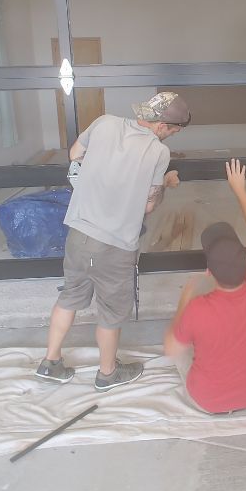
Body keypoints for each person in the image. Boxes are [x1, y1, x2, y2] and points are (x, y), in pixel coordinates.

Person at [36, 92, 191, 391]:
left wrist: (102, 169)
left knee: (69, 296)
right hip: (115, 244)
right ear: (162, 126)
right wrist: (167, 184)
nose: (170, 137)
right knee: (110, 311)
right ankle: (107, 373)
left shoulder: (104, 122)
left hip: (79, 233)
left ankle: (50, 362)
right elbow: (148, 206)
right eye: (173, 131)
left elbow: (74, 155)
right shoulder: (158, 153)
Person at [163, 158, 246, 414]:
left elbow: (170, 349)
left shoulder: (198, 308)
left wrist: (185, 299)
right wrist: (239, 189)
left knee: (181, 346)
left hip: (206, 401)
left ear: (209, 272)